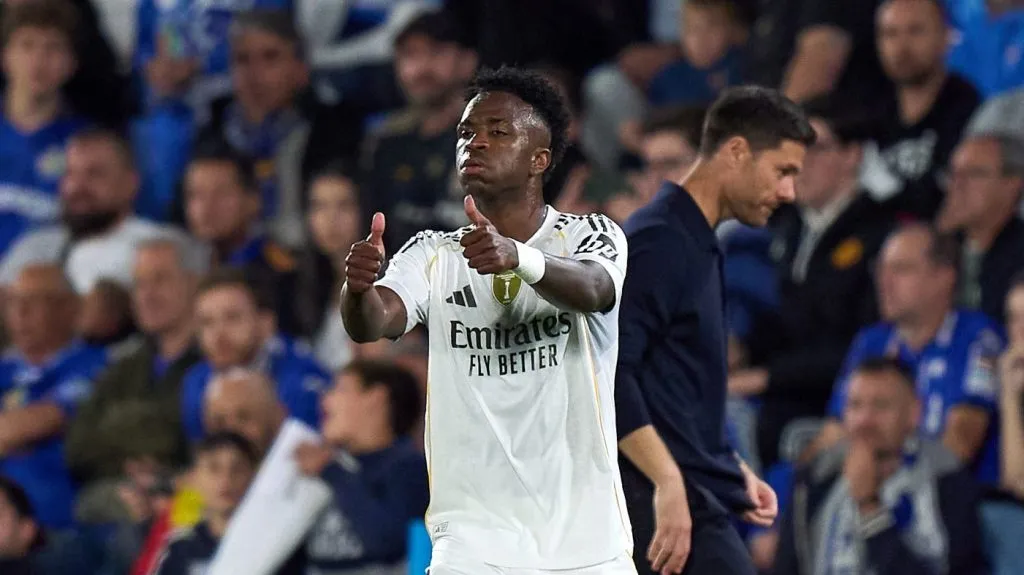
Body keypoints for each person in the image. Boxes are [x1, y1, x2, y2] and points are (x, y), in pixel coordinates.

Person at [341, 67, 635, 573]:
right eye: (465, 132)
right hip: (472, 545)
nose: (475, 143)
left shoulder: (589, 234)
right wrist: (358, 289)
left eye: (498, 132)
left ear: (540, 159)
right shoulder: (433, 252)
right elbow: (374, 321)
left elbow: (595, 289)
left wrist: (519, 258)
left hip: (587, 544)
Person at [614, 85, 816, 575]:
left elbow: (674, 385)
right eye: (782, 171)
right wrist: (667, 482)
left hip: (685, 494)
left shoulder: (694, 240)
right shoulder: (659, 241)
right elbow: (609, 374)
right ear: (737, 152)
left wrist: (729, 468)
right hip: (657, 504)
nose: (789, 192)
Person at [772, 357, 987, 575]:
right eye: (855, 405)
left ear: (914, 413)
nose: (864, 420)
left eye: (881, 406)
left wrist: (870, 508)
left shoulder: (947, 477)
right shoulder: (816, 477)